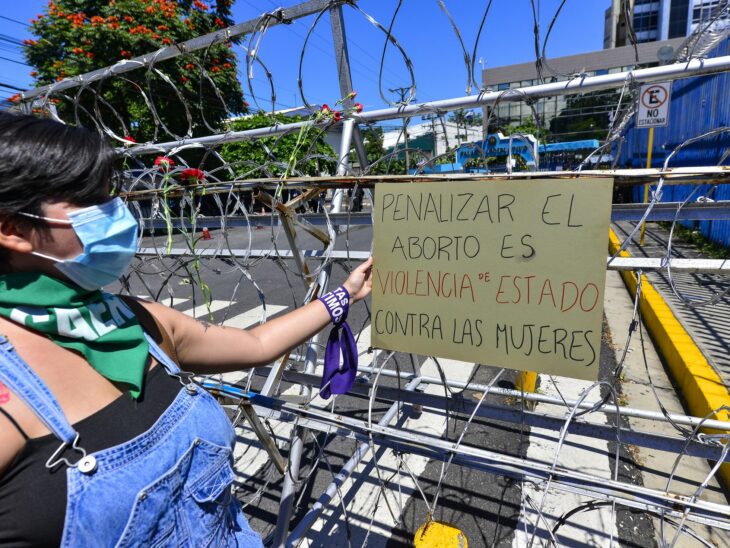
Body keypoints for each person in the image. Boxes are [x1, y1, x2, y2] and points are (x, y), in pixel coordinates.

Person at [0, 112, 373, 547]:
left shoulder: (134, 319)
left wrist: (344, 294)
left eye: (111, 197)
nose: (117, 213)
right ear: (13, 228)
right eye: (90, 201)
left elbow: (255, 343)